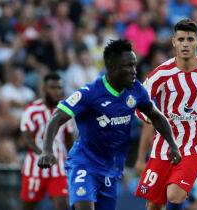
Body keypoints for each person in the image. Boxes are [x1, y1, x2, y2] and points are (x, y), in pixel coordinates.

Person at [37, 39, 181, 210]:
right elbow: (56, 117)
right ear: (112, 68)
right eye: (128, 67)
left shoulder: (136, 90)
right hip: (84, 163)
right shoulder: (90, 93)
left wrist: (173, 145)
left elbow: (156, 117)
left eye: (134, 65)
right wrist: (47, 149)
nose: (134, 72)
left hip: (111, 169)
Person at [134, 18, 197, 210]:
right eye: (181, 39)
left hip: (193, 148)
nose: (185, 44)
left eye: (190, 39)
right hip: (162, 148)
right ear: (174, 42)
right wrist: (152, 119)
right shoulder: (160, 74)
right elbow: (140, 104)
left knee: (174, 194)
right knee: (154, 205)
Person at [20, 73, 75, 210]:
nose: (57, 91)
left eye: (59, 88)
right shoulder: (32, 110)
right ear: (44, 88)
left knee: (62, 205)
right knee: (28, 206)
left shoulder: (65, 110)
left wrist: (73, 160)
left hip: (59, 166)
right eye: (53, 88)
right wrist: (43, 154)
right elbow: (26, 138)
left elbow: (69, 138)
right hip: (35, 167)